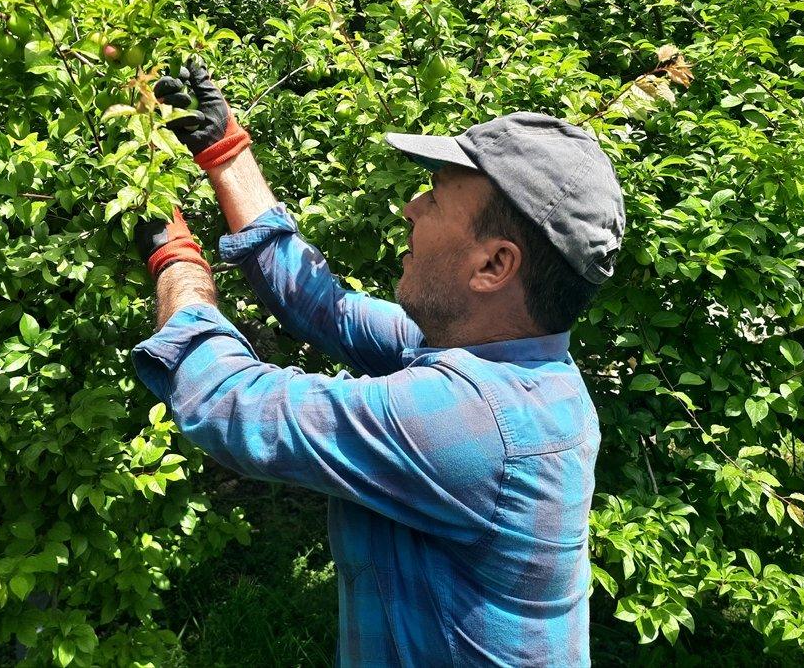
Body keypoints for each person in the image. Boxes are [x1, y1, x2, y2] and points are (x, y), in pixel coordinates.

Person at [132, 60, 625, 667]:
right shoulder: (500, 360)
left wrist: (177, 262)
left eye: (435, 197)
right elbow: (324, 306)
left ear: (494, 265)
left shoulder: (477, 422)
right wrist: (226, 151)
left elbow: (232, 403)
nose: (411, 208)